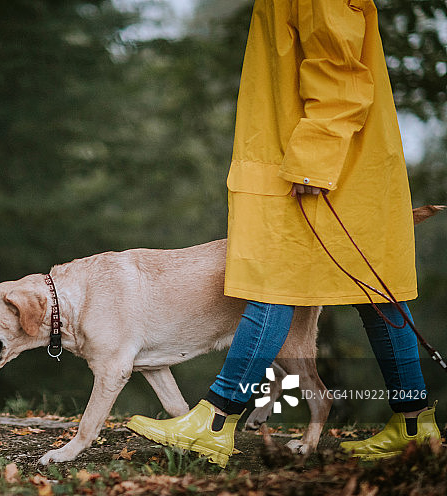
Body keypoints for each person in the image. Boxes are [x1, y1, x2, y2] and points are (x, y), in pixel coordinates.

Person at [126, 0, 440, 467]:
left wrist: (312, 162)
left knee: (276, 282)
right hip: (323, 169)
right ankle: (414, 424)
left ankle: (216, 420)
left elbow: (344, 79)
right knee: (375, 290)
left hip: (322, 171)